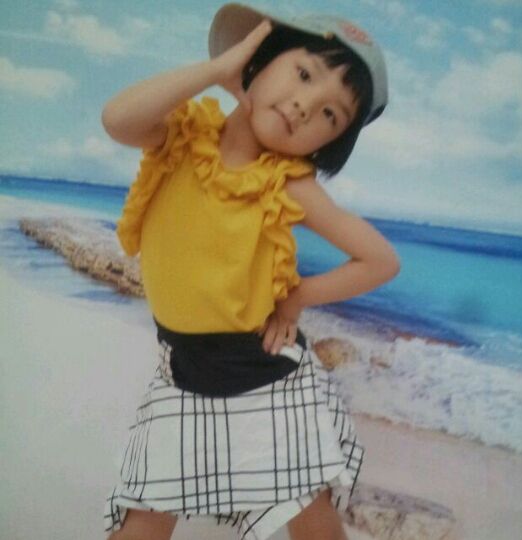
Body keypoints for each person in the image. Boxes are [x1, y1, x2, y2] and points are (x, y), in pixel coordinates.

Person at [101, 3, 400, 540]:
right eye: (304, 73)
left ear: (328, 143)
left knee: (315, 524)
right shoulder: (182, 139)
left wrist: (296, 296)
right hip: (181, 373)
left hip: (265, 377)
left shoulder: (290, 184)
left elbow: (380, 260)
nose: (306, 106)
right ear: (257, 60)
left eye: (331, 115)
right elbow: (117, 119)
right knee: (139, 523)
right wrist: (217, 70)